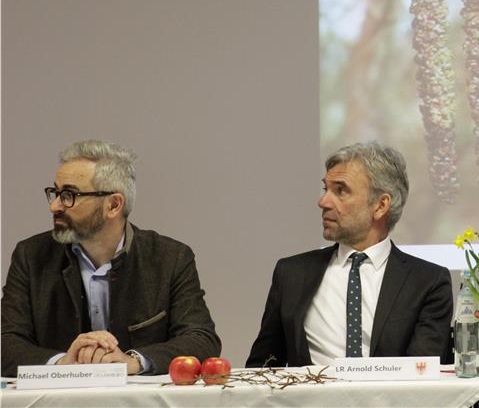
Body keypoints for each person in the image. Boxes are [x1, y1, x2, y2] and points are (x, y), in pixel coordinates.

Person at [1, 140, 221, 377]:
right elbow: (6, 341)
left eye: (69, 195)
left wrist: (132, 362)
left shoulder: (170, 258)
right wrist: (62, 363)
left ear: (114, 205)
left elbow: (201, 339)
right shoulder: (31, 256)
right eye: (55, 193)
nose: (55, 206)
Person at [246, 141, 453, 368]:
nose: (323, 202)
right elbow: (261, 368)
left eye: (341, 190)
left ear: (380, 206)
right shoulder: (292, 274)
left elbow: (421, 375)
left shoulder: (428, 282)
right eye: (326, 189)